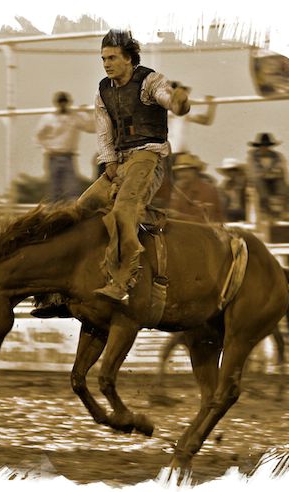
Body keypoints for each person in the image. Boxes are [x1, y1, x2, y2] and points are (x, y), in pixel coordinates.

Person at [75, 29, 191, 304]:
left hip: (149, 156)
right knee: (82, 208)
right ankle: (74, 280)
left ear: (129, 59)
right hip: (122, 159)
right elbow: (103, 131)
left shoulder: (150, 81)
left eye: (112, 57)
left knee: (123, 211)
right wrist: (109, 161)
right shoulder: (103, 91)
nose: (106, 63)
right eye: (104, 58)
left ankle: (124, 279)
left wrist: (178, 103)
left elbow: (166, 98)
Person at [35, 91, 95, 202]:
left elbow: (92, 128)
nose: (62, 104)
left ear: (68, 103)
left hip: (68, 157)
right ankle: (53, 215)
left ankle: (71, 214)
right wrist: (46, 149)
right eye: (60, 102)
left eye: (64, 102)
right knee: (54, 190)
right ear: (56, 103)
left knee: (72, 189)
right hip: (53, 157)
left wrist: (88, 114)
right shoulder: (48, 118)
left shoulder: (75, 117)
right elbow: (38, 136)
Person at [167, 153, 224, 223]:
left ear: (195, 171)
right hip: (182, 230)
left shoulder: (208, 190)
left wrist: (179, 216)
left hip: (207, 232)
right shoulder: (177, 190)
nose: (182, 174)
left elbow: (207, 220)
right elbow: (172, 213)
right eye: (179, 171)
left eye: (186, 170)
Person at [247, 132, 289, 219]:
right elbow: (253, 172)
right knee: (259, 183)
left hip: (275, 180)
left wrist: (269, 174)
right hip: (260, 182)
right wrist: (267, 174)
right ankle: (265, 208)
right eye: (262, 145)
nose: (264, 147)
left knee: (281, 183)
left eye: (266, 145)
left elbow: (280, 170)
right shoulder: (253, 157)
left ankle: (282, 208)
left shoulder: (277, 156)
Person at [216, 157, 249, 222]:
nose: (230, 172)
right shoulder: (224, 184)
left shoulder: (246, 182)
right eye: (228, 170)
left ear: (237, 170)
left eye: (233, 170)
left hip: (244, 212)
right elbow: (223, 203)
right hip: (230, 213)